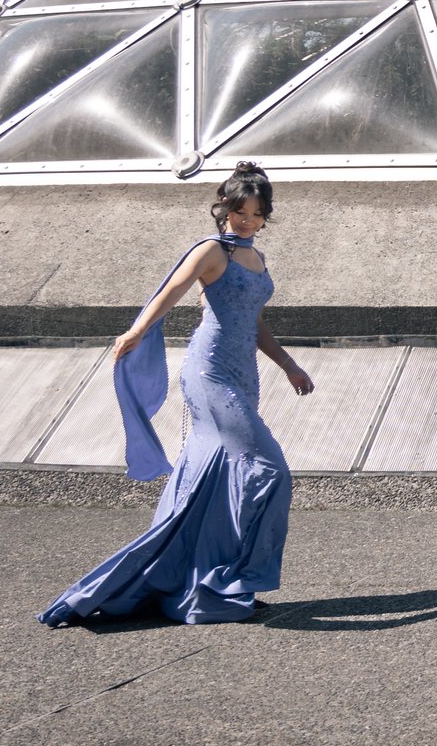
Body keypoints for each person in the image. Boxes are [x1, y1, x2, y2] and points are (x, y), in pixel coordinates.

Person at [39, 162, 314, 626]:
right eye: (238, 212)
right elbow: (174, 288)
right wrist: (137, 330)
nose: (246, 221)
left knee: (212, 480)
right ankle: (236, 579)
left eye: (256, 213)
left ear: (266, 216)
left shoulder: (257, 259)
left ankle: (205, 584)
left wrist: (288, 364)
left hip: (243, 374)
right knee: (270, 471)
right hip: (208, 375)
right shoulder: (212, 250)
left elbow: (253, 321)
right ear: (223, 210)